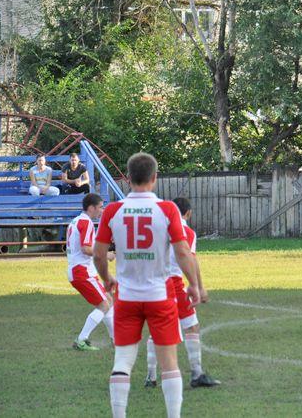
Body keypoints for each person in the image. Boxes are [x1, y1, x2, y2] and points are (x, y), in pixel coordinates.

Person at [94, 152, 200, 418]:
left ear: (128, 179)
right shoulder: (166, 209)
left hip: (127, 296)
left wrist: (107, 278)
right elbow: (183, 252)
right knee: (170, 364)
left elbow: (98, 253)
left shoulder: (113, 210)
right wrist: (194, 284)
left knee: (122, 362)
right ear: (154, 178)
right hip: (159, 295)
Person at [146, 197, 220, 389]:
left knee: (156, 329)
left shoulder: (157, 228)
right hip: (174, 283)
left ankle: (151, 376)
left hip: (153, 283)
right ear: (188, 213)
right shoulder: (186, 231)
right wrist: (198, 286)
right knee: (191, 327)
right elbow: (189, 259)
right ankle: (197, 373)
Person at [67, 192, 115, 350]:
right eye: (100, 207)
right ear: (91, 207)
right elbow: (86, 249)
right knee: (104, 304)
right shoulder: (86, 222)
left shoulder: (76, 221)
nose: (102, 211)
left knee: (108, 300)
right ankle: (81, 340)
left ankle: (116, 340)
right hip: (82, 271)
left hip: (81, 270)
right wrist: (105, 254)